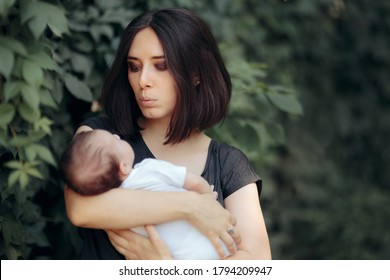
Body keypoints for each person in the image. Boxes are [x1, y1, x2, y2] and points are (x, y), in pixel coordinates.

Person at [64, 7, 271, 260]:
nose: (143, 81)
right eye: (134, 66)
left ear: (196, 75)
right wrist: (191, 207)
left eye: (161, 65)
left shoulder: (229, 165)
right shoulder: (101, 137)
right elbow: (81, 208)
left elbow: (258, 262)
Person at [60, 129, 230, 259]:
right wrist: (208, 200)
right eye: (116, 140)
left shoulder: (116, 211)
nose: (118, 137)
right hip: (217, 246)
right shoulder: (149, 168)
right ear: (124, 167)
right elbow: (195, 182)